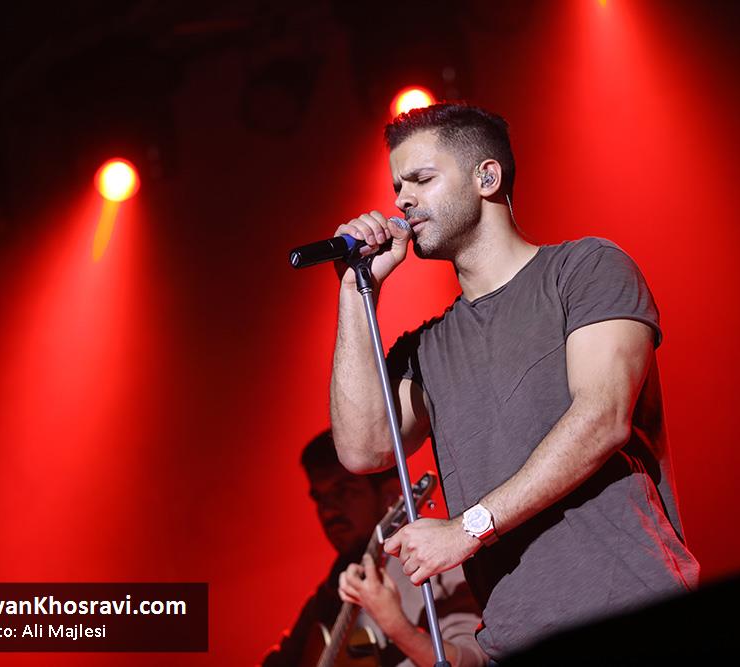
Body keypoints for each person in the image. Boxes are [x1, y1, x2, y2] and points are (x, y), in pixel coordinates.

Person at [328, 102, 700, 660]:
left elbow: (602, 419)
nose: (401, 200)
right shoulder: (426, 349)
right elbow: (363, 450)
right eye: (397, 187)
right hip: (510, 637)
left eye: (421, 179)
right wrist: (356, 291)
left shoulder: (585, 269)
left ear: (487, 177)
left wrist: (467, 529)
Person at [261, 430, 489, 667]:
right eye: (320, 498)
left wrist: (395, 625)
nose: (328, 511)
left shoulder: (432, 562)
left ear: (389, 496)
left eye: (343, 491)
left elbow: (473, 661)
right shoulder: (328, 595)